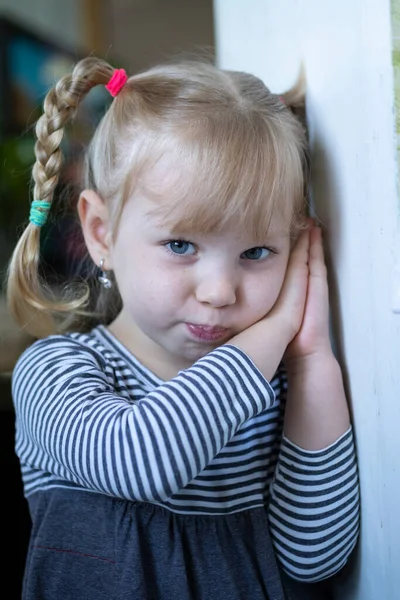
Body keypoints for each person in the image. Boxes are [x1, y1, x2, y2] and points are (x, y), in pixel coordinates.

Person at [7, 56, 360, 600]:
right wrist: (279, 325)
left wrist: (311, 358)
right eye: (180, 245)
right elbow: (142, 463)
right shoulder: (53, 373)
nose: (220, 291)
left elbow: (314, 560)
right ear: (101, 233)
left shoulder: (273, 389)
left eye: (257, 251)